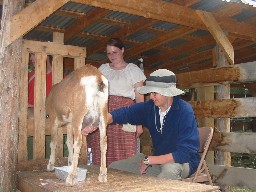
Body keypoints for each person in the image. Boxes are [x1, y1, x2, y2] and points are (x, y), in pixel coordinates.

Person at [83, 69, 200, 180]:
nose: (151, 96)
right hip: (158, 161)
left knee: (169, 172)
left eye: (155, 93)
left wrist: (150, 160)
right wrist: (97, 123)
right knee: (116, 167)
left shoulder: (184, 110)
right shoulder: (150, 108)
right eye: (150, 93)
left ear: (168, 93)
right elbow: (123, 114)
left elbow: (185, 153)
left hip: (183, 163)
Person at [87, 38, 146, 166]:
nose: (112, 56)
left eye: (115, 52)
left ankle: (125, 179)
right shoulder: (103, 69)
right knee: (102, 145)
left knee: (125, 147)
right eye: (109, 53)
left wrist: (139, 124)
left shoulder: (133, 70)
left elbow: (140, 99)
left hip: (126, 113)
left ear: (122, 50)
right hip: (104, 110)